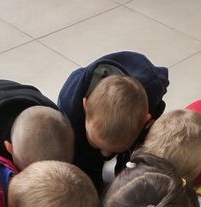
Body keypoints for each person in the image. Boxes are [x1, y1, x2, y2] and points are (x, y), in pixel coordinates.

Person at [58, 51, 169, 193]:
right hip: (78, 123)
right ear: (85, 106)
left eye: (115, 149)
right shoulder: (70, 106)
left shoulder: (151, 94)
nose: (105, 154)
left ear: (145, 120)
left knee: (134, 156)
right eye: (97, 144)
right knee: (83, 158)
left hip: (144, 88)